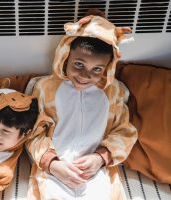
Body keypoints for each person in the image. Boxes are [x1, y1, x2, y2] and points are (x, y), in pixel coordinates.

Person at [25, 13, 138, 199]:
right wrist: (52, 163)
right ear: (66, 57)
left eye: (97, 69)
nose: (85, 75)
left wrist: (100, 158)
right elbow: (33, 131)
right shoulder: (46, 88)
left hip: (96, 170)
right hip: (55, 168)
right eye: (79, 64)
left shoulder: (113, 92)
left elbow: (124, 133)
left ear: (108, 67)